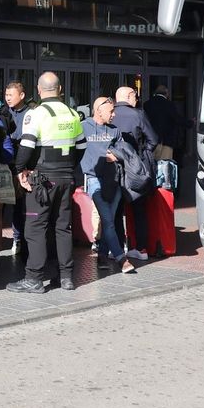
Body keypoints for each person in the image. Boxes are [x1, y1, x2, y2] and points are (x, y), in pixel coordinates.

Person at [7, 72, 84, 293]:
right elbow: (81, 147)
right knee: (63, 228)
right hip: (66, 177)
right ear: (59, 89)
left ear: (39, 91)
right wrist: (68, 168)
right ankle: (67, 277)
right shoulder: (72, 113)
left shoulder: (36, 113)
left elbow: (27, 146)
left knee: (35, 228)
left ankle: (34, 278)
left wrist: (20, 170)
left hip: (42, 180)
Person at [80, 96, 134, 274]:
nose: (114, 114)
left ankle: (103, 255)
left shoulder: (115, 131)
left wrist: (116, 156)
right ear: (98, 110)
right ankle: (121, 258)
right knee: (108, 219)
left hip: (114, 180)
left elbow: (124, 152)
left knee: (108, 219)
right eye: (111, 111)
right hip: (94, 178)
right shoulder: (83, 127)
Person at [111, 86, 159, 262]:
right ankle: (141, 248)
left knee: (115, 211)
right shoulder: (138, 114)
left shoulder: (109, 113)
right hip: (135, 169)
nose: (137, 99)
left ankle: (117, 247)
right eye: (135, 96)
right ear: (129, 96)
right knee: (139, 210)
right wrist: (142, 153)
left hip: (114, 167)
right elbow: (153, 139)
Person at [0, 80, 30, 251]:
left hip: (22, 165)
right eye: (6, 95)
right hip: (6, 165)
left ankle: (18, 239)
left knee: (20, 205)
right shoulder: (3, 113)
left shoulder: (31, 113)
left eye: (11, 95)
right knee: (3, 203)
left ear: (22, 95)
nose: (8, 98)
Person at [143, 83, 183, 162]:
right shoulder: (169, 104)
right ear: (167, 93)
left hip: (150, 140)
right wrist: (191, 122)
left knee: (151, 164)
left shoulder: (146, 104)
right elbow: (177, 119)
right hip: (166, 141)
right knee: (165, 166)